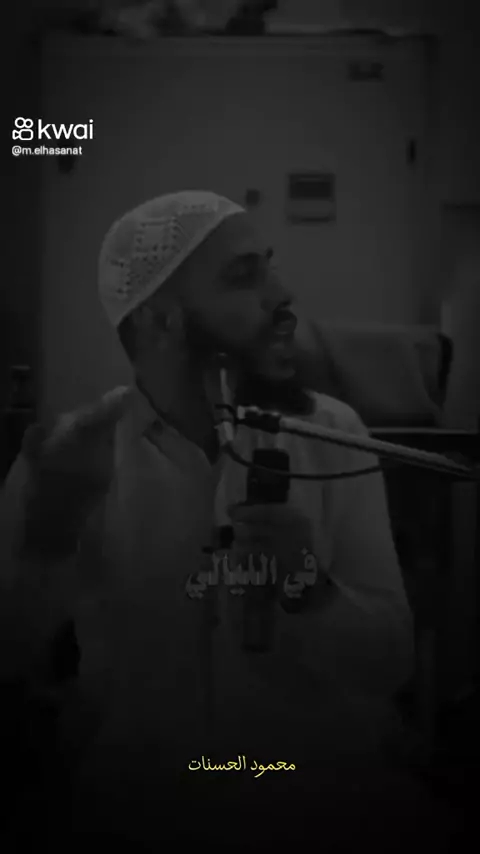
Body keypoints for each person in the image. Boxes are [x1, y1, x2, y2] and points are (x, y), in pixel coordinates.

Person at [0, 191, 447, 849]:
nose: (284, 294)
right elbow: (12, 660)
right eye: (244, 276)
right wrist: (49, 533)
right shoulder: (73, 455)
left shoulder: (333, 433)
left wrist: (311, 591)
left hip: (323, 806)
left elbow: (390, 663)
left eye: (270, 266)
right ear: (159, 318)